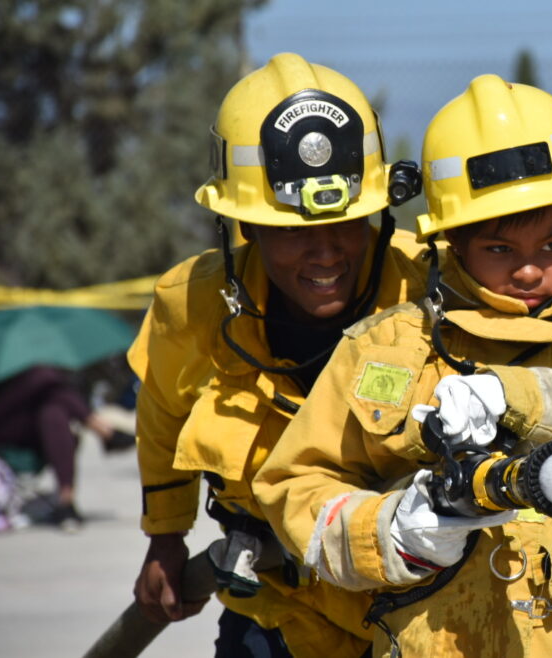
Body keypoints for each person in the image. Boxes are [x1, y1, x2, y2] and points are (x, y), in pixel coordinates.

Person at [254, 74, 552, 657]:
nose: (530, 271)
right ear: (451, 241)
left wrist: (522, 398)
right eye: (501, 250)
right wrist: (392, 531)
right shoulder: (390, 349)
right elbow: (294, 487)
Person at [126, 53, 427, 657]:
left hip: (419, 607)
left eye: (347, 223)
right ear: (243, 228)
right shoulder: (193, 307)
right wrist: (165, 537)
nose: (325, 253)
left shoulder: (429, 290)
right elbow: (162, 416)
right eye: (291, 231)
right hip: (275, 610)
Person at [0, 365, 132, 530]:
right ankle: (102, 430)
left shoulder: (6, 362)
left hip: (12, 422)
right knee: (41, 376)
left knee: (52, 411)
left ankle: (66, 500)